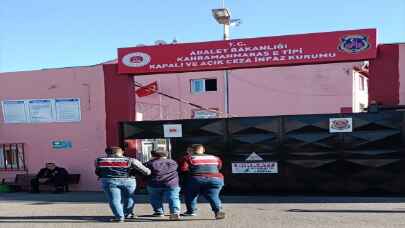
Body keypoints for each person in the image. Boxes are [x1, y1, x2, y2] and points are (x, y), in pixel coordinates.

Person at [95, 146, 151, 222]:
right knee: (129, 197)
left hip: (109, 181)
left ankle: (119, 217)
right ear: (121, 152)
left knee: (114, 200)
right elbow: (146, 172)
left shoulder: (99, 160)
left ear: (107, 152)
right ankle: (128, 214)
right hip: (128, 181)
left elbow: (98, 170)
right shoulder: (130, 160)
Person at [179, 144, 226, 219]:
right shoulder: (215, 157)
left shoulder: (188, 157)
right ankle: (218, 211)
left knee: (190, 194)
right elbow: (219, 167)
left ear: (190, 151)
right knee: (213, 195)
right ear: (203, 150)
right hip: (216, 178)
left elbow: (183, 169)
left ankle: (191, 211)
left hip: (196, 179)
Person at [144, 149, 181, 220]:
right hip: (172, 183)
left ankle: (159, 212)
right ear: (166, 155)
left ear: (153, 155)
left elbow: (145, 172)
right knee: (173, 198)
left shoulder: (149, 163)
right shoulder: (173, 162)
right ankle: (175, 213)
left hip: (154, 184)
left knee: (154, 198)